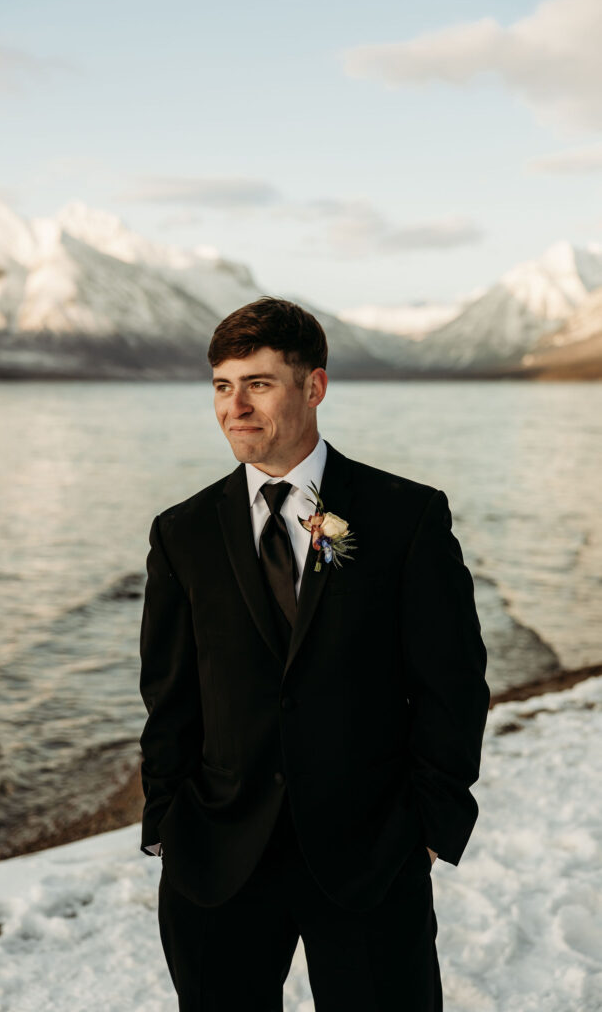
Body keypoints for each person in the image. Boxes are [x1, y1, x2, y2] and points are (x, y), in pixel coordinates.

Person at [138, 296, 490, 1011]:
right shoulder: (182, 531)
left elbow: (452, 684)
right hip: (218, 854)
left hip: (369, 853)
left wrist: (428, 824)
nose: (235, 406)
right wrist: (166, 823)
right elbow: (168, 694)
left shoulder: (404, 516)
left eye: (258, 384)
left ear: (313, 387)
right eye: (221, 386)